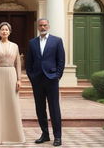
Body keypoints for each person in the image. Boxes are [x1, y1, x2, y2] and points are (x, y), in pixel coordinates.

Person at [0, 22, 25, 145]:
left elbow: (18, 63)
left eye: (6, 30)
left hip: (11, 75)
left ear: (10, 32)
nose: (4, 32)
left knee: (12, 103)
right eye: (2, 30)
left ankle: (15, 136)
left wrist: (19, 79)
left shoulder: (15, 46)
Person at [26, 18, 65, 147]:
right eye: (40, 25)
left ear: (48, 26)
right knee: (40, 108)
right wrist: (32, 77)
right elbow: (28, 62)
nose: (43, 27)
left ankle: (57, 137)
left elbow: (61, 60)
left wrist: (57, 76)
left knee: (54, 108)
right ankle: (45, 134)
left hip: (51, 79)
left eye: (45, 25)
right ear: (37, 27)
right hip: (37, 80)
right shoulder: (32, 43)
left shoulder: (57, 41)